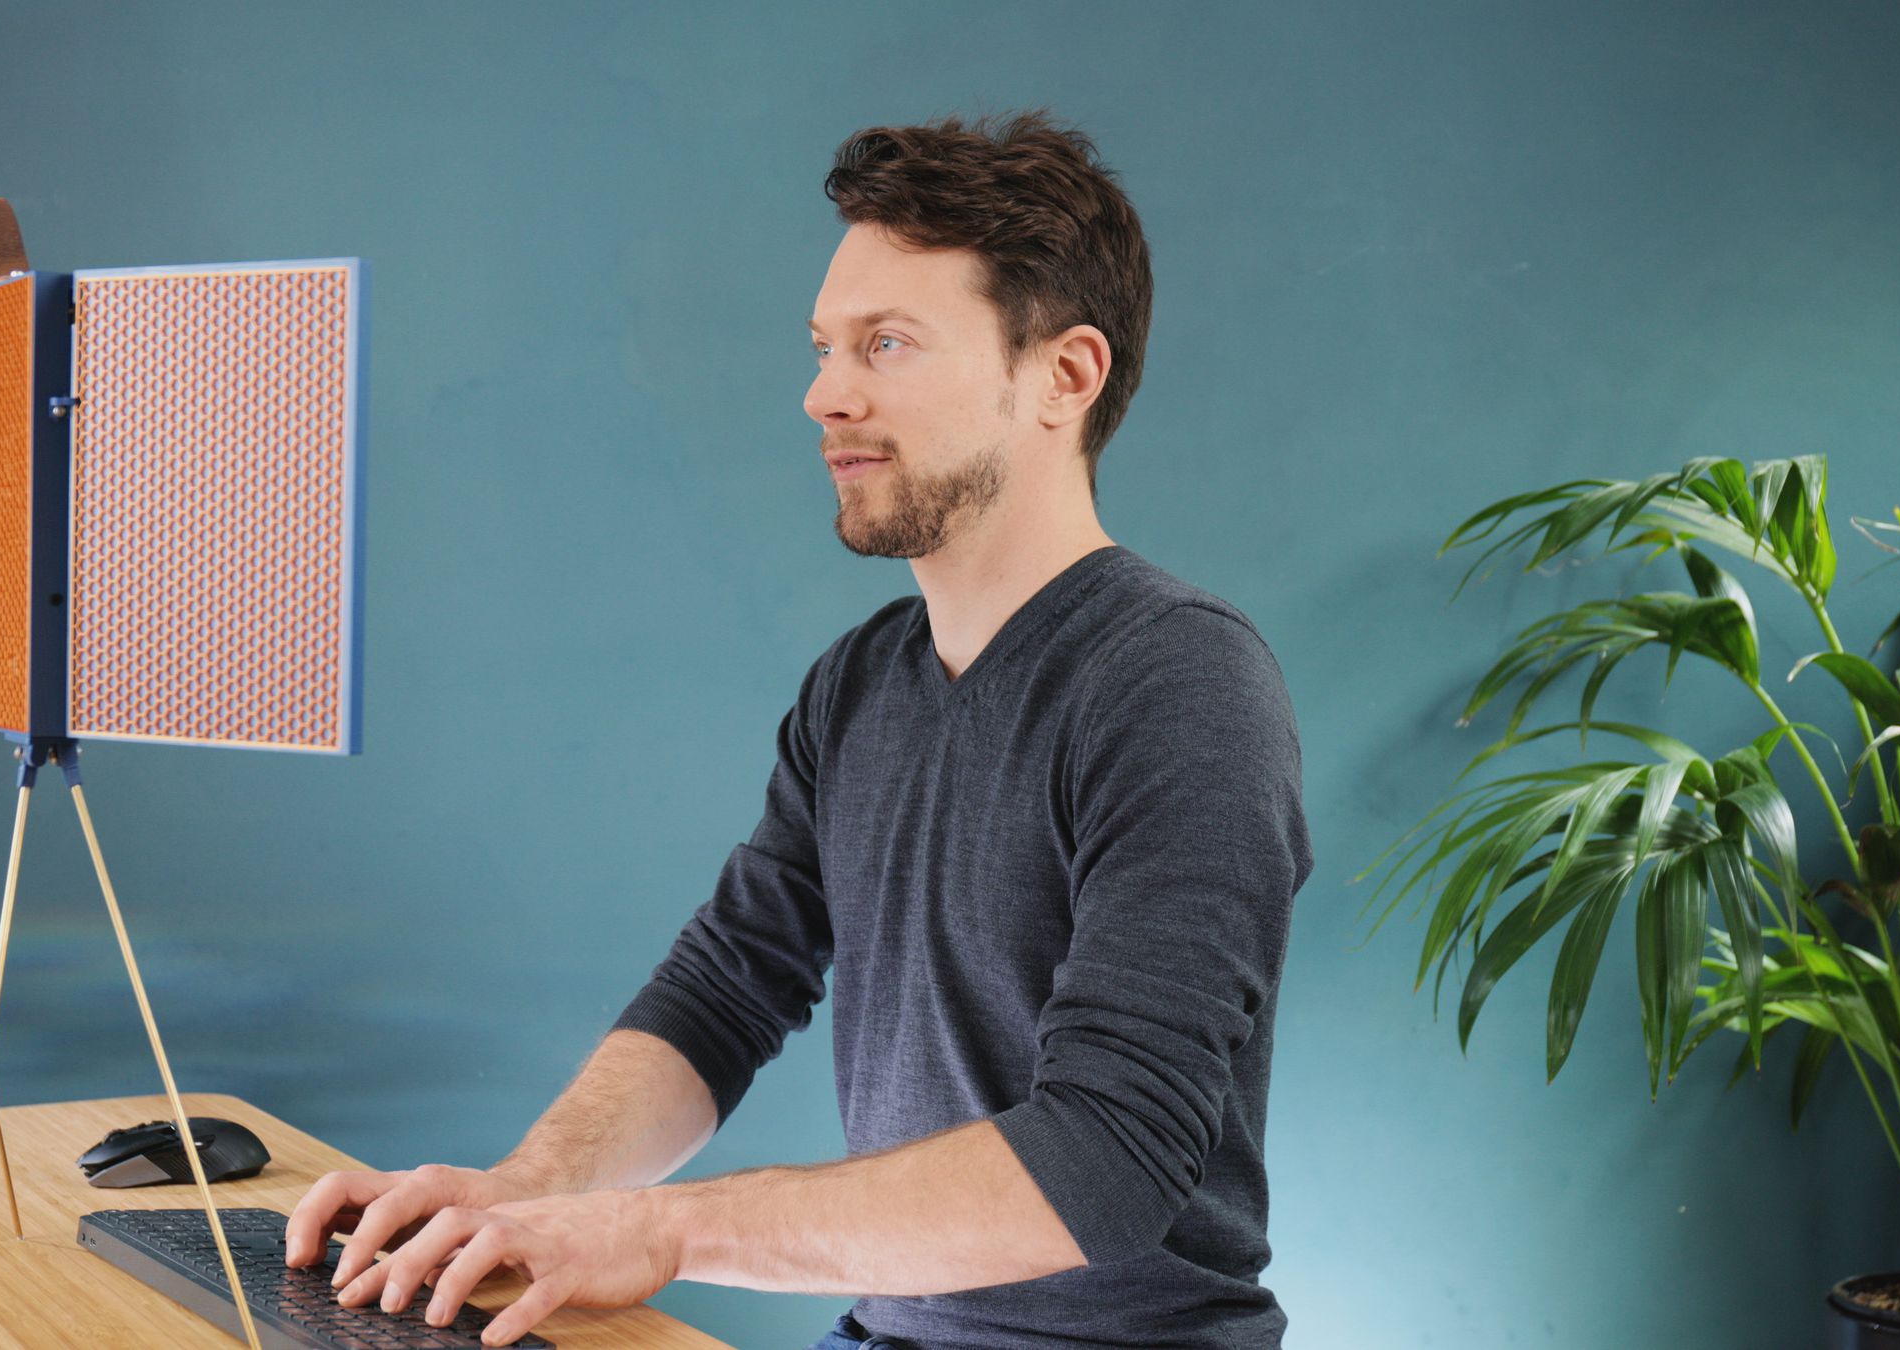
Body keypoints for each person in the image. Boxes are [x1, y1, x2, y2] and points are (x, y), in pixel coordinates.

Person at [286, 109, 1314, 1350]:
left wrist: (664, 1232)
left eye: (887, 344)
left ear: (1063, 375)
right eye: (826, 347)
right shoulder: (859, 686)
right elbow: (727, 988)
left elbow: (1106, 1157)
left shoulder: (1178, 683)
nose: (825, 394)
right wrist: (530, 1189)